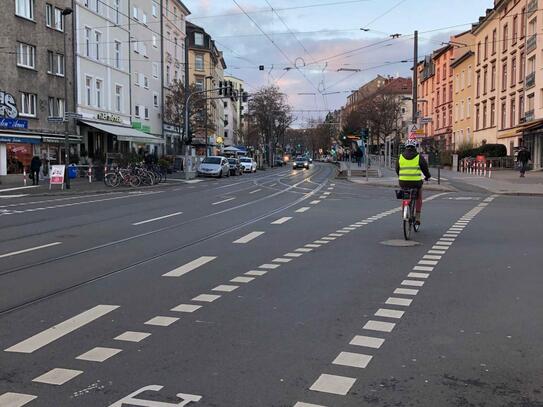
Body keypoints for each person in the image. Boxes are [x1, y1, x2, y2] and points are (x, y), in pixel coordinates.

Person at [395, 137, 431, 225]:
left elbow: (397, 169)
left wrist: (401, 176)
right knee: (418, 197)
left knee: (405, 196)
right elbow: (425, 169)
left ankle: (404, 212)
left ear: (406, 147)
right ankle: (417, 217)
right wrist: (427, 176)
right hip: (416, 182)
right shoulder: (419, 157)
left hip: (403, 181)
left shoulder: (400, 157)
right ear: (415, 146)